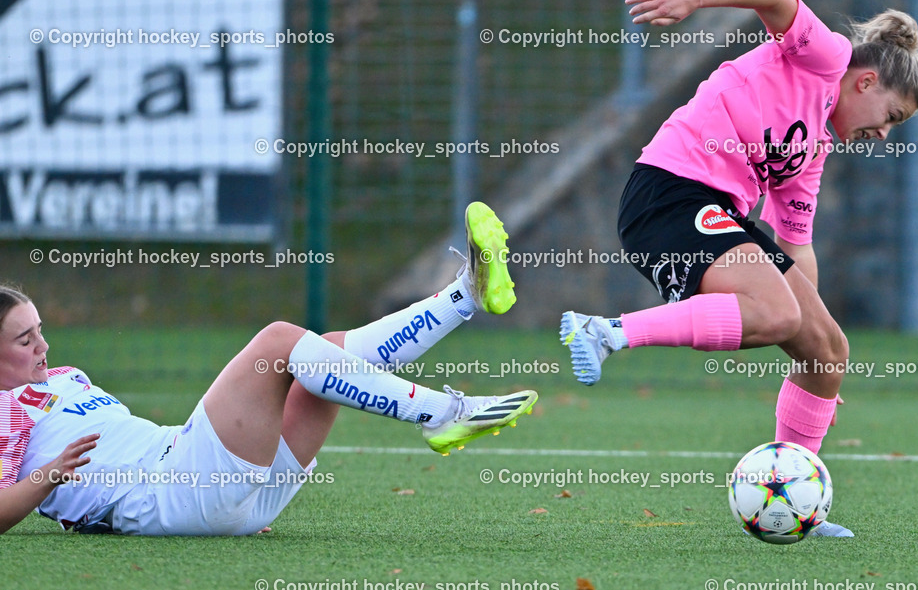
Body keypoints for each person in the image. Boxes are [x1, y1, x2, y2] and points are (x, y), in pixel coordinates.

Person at [560, 0, 918, 537]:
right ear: (867, 81)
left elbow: (795, 247)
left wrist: (810, 343)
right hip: (670, 192)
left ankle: (797, 494)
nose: (884, 134)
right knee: (780, 314)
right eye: (892, 117)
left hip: (719, 212)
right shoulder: (825, 56)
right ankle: (606, 332)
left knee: (828, 348)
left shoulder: (810, 153)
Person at [0, 202, 537, 536]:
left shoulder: (61, 378)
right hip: (173, 492)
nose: (43, 346)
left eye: (41, 329)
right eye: (26, 339)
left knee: (323, 358)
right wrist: (49, 478)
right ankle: (443, 413)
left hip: (222, 493)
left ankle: (463, 295)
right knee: (281, 342)